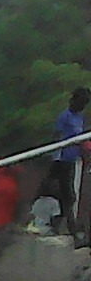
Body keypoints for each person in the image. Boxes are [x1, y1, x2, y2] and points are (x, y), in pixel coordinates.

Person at [48, 86, 89, 240]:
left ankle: (61, 225)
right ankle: (65, 226)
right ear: (73, 101)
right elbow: (56, 137)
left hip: (72, 159)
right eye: (80, 102)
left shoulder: (80, 118)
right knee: (66, 195)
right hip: (61, 159)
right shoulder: (64, 116)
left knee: (68, 196)